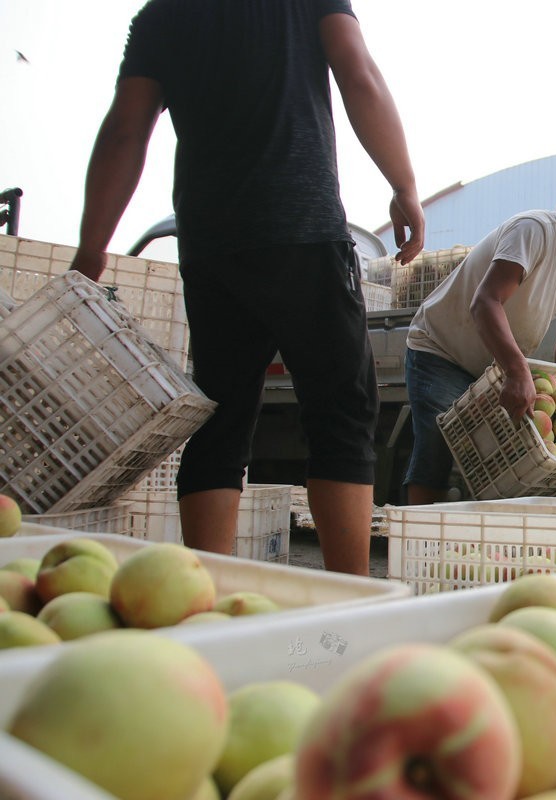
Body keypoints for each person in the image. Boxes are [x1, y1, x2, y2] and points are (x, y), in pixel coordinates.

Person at [68, 0, 425, 575]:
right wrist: (403, 183)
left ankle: (198, 591)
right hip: (302, 230)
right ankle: (350, 594)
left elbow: (125, 128)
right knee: (339, 409)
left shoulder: (162, 16)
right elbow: (356, 70)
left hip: (212, 244)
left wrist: (92, 249)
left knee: (220, 415)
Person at [404, 169, 556, 505]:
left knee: (494, 463)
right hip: (442, 351)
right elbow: (485, 302)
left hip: (493, 368)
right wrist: (519, 371)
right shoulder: (535, 231)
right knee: (438, 448)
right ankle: (421, 547)